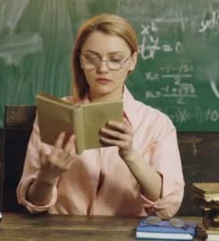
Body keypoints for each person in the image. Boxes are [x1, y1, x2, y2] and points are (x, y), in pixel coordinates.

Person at [16, 13, 184, 217]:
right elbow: (33, 205)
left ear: (132, 61)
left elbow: (167, 209)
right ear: (80, 60)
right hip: (63, 235)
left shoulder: (156, 124)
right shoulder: (55, 113)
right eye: (91, 59)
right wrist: (48, 176)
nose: (103, 69)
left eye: (115, 60)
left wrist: (131, 156)